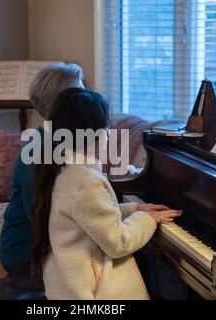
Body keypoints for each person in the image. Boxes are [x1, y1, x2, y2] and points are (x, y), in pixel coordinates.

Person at [31, 87, 182, 300]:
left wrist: (134, 209)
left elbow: (90, 216)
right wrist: (147, 219)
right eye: (106, 128)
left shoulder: (63, 169)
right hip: (93, 293)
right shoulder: (86, 183)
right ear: (96, 134)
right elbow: (118, 242)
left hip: (67, 285)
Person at [0, 63, 84, 282]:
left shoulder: (63, 142)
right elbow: (43, 219)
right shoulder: (38, 150)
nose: (86, 98)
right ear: (63, 104)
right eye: (80, 93)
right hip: (25, 253)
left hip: (50, 243)